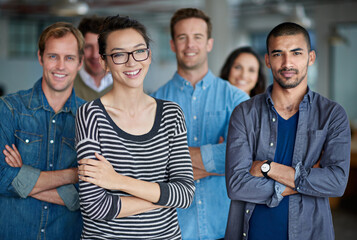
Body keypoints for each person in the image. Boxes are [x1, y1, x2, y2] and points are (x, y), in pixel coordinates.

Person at [225, 22, 351, 240]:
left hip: (310, 233)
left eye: (296, 53)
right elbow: (237, 186)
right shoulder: (244, 113)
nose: (287, 63)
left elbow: (336, 183)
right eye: (278, 54)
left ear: (311, 58)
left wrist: (267, 167)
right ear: (267, 60)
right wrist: (305, 180)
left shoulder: (332, 115)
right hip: (251, 233)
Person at [75, 15, 195, 240]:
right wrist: (161, 198)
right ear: (104, 62)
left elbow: (185, 194)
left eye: (139, 51)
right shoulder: (90, 114)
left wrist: (117, 181)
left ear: (148, 56)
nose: (132, 62)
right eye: (119, 54)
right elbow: (95, 206)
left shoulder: (171, 114)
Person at [152, 8, 249, 239]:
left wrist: (174, 160)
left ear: (209, 43)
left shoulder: (236, 99)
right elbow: (150, 164)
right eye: (182, 37)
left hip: (226, 227)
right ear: (173, 44)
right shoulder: (154, 103)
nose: (190, 45)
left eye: (197, 37)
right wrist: (217, 164)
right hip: (174, 229)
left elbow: (244, 156)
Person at [0, 22, 85, 239]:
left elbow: (86, 196)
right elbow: (2, 178)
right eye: (53, 56)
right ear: (40, 57)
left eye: (69, 58)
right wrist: (73, 174)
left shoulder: (91, 118)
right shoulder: (9, 108)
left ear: (80, 63)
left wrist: (22, 177)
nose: (60, 66)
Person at [74, 15, 113, 101]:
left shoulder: (127, 86)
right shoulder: (66, 87)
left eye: (101, 47)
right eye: (88, 47)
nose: (95, 54)